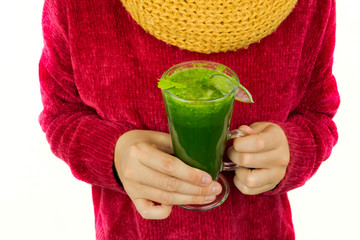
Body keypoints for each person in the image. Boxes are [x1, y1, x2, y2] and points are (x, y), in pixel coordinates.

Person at [38, 0, 340, 239]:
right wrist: (113, 154)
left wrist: (292, 149)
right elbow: (61, 114)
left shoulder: (308, 5)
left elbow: (318, 114)